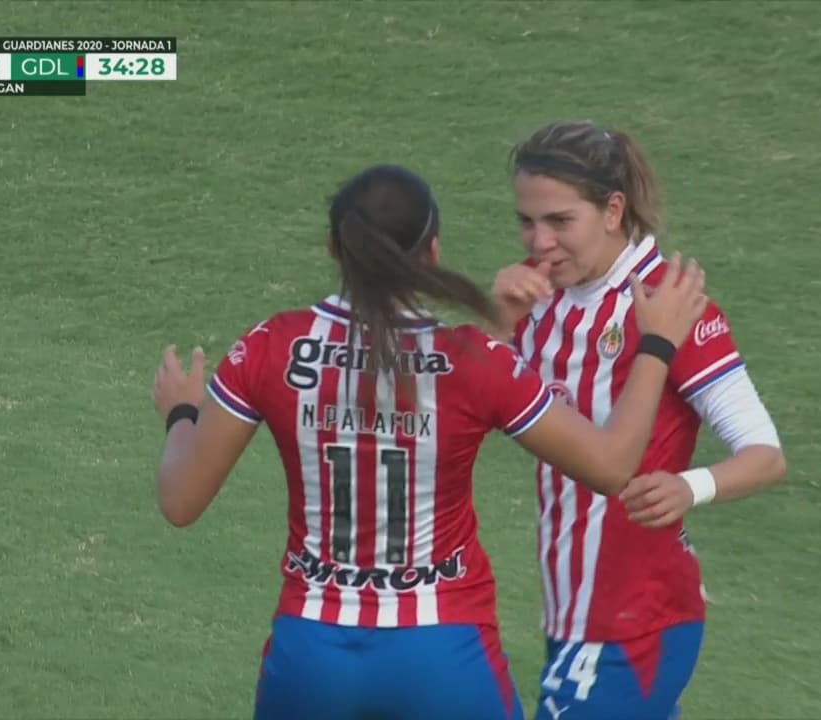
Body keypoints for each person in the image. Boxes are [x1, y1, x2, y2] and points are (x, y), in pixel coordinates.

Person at [151, 164, 710, 720]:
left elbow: (180, 501)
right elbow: (612, 467)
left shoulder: (272, 346)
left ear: (334, 249)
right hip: (444, 656)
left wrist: (182, 413)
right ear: (434, 252)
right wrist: (657, 345)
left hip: (312, 655)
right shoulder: (473, 360)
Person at [490, 121, 789, 720]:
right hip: (573, 607)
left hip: (637, 620)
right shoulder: (536, 297)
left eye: (560, 221)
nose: (540, 241)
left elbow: (765, 454)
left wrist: (690, 486)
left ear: (613, 210)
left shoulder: (669, 307)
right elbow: (463, 409)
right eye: (527, 221)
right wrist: (497, 321)